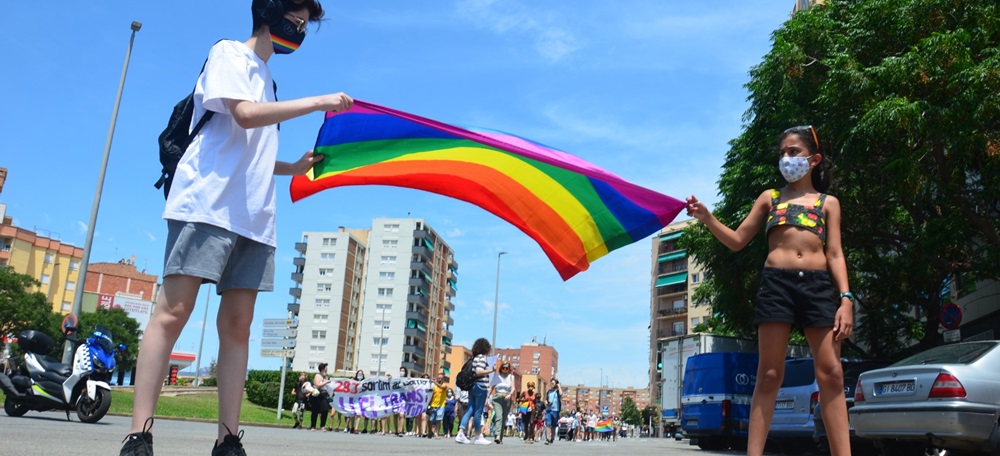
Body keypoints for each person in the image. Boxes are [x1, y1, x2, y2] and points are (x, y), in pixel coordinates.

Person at [118, 1, 353, 455]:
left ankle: (228, 441)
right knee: (174, 312)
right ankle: (139, 435)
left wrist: (294, 166)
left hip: (254, 215)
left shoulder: (269, 79)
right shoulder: (229, 54)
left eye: (305, 27)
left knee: (239, 326)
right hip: (209, 204)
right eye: (296, 22)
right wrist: (321, 102)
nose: (299, 32)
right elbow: (243, 115)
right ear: (271, 13)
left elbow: (252, 152)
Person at [685, 125, 853, 456]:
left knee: (832, 373)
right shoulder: (770, 198)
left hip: (817, 287)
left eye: (794, 152)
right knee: (770, 374)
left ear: (813, 159)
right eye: (783, 153)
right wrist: (707, 217)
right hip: (777, 284)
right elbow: (736, 241)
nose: (787, 158)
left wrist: (845, 299)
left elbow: (835, 253)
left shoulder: (828, 203)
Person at [454, 338, 495, 445]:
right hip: (480, 387)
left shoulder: (475, 358)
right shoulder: (482, 358)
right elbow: (479, 371)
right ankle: (478, 436)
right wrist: (492, 370)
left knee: (470, 410)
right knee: (478, 412)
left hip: (472, 386)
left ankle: (461, 432)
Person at [488, 361, 515, 444]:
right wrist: (487, 397)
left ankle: (500, 437)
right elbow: (491, 387)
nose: (505, 369)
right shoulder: (497, 376)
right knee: (498, 417)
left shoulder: (511, 377)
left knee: (503, 418)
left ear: (509, 368)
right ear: (501, 368)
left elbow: (513, 388)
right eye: (504, 367)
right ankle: (497, 436)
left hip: (507, 397)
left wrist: (510, 394)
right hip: (497, 398)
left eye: (507, 368)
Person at [309, 363, 332, 431]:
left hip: (324, 395)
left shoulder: (326, 377)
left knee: (325, 410)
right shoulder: (317, 376)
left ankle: (322, 426)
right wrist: (326, 382)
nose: (327, 369)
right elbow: (317, 385)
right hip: (317, 394)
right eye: (326, 367)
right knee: (315, 410)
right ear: (322, 368)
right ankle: (313, 426)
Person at [426, 373, 448, 438]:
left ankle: (437, 434)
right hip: (433, 405)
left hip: (441, 405)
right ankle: (430, 431)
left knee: (439, 420)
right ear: (437, 378)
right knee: (430, 420)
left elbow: (442, 387)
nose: (440, 379)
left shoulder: (444, 385)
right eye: (439, 378)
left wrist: (434, 382)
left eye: (441, 378)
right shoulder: (433, 386)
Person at [543, 379, 562, 444]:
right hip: (548, 410)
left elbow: (561, 394)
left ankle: (552, 438)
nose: (552, 384)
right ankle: (548, 438)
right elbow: (545, 399)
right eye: (551, 383)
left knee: (553, 425)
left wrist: (559, 386)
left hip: (555, 410)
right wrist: (547, 403)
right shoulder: (549, 391)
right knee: (548, 424)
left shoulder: (557, 391)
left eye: (553, 383)